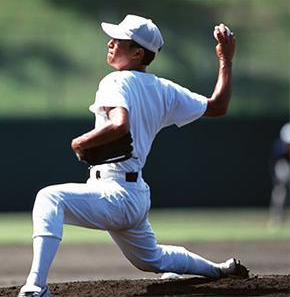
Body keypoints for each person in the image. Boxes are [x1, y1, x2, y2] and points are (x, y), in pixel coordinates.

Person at [18, 15, 248, 297]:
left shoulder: (115, 80)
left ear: (138, 52)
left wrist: (80, 141)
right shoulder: (164, 89)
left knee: (49, 198)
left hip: (115, 194)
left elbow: (120, 124)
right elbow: (218, 106)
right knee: (153, 259)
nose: (111, 43)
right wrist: (226, 60)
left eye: (119, 40)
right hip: (133, 194)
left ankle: (36, 287)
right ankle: (220, 269)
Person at [268, 122, 290, 228]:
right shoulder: (279, 149)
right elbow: (275, 164)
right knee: (280, 191)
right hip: (283, 165)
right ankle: (277, 217)